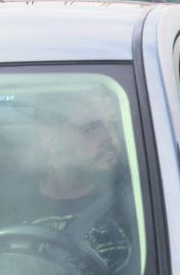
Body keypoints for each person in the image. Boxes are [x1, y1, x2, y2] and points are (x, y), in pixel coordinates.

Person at [15, 91, 137, 275]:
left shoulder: (142, 198)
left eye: (114, 124)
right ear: (50, 139)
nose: (112, 140)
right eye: (92, 128)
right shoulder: (7, 204)